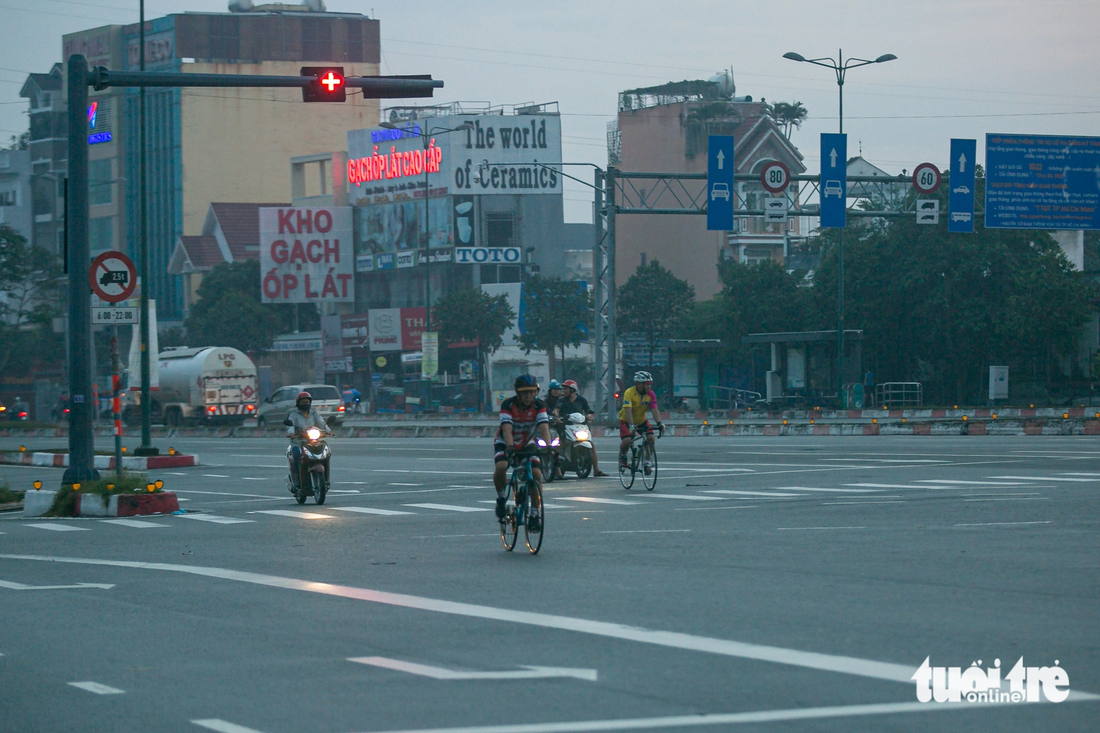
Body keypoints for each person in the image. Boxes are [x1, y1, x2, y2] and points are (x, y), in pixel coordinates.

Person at [493, 374, 552, 532]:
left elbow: (544, 428)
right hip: (506, 442)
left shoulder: (539, 405)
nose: (529, 396)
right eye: (525, 392)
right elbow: (506, 429)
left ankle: (534, 515)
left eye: (532, 392)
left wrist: (548, 446)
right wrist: (510, 447)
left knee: (536, 474)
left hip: (527, 443)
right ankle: (500, 499)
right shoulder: (508, 404)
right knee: (501, 466)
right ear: (518, 393)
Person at [555, 379, 608, 477]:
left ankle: (596, 470)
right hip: (565, 425)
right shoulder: (561, 400)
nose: (564, 391)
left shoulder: (581, 400)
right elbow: (557, 410)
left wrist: (590, 416)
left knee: (591, 445)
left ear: (572, 390)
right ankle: (557, 469)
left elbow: (589, 411)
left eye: (566, 389)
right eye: (564, 389)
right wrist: (556, 415)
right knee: (560, 444)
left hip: (580, 425)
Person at [286, 391, 333, 491]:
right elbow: (290, 425)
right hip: (299, 442)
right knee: (296, 454)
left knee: (327, 453)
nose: (305, 404)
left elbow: (322, 424)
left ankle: (326, 479)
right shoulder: (294, 415)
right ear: (298, 403)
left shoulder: (314, 414)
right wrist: (291, 433)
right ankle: (297, 480)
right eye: (303, 402)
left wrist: (328, 431)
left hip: (314, 441)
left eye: (307, 402)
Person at [618, 371, 663, 475]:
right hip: (626, 420)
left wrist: (660, 423)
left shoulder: (651, 394)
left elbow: (654, 410)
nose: (649, 387)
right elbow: (628, 410)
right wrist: (631, 425)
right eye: (647, 384)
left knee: (651, 438)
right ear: (638, 384)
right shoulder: (629, 392)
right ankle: (623, 456)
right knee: (627, 441)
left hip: (642, 420)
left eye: (650, 384)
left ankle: (647, 463)